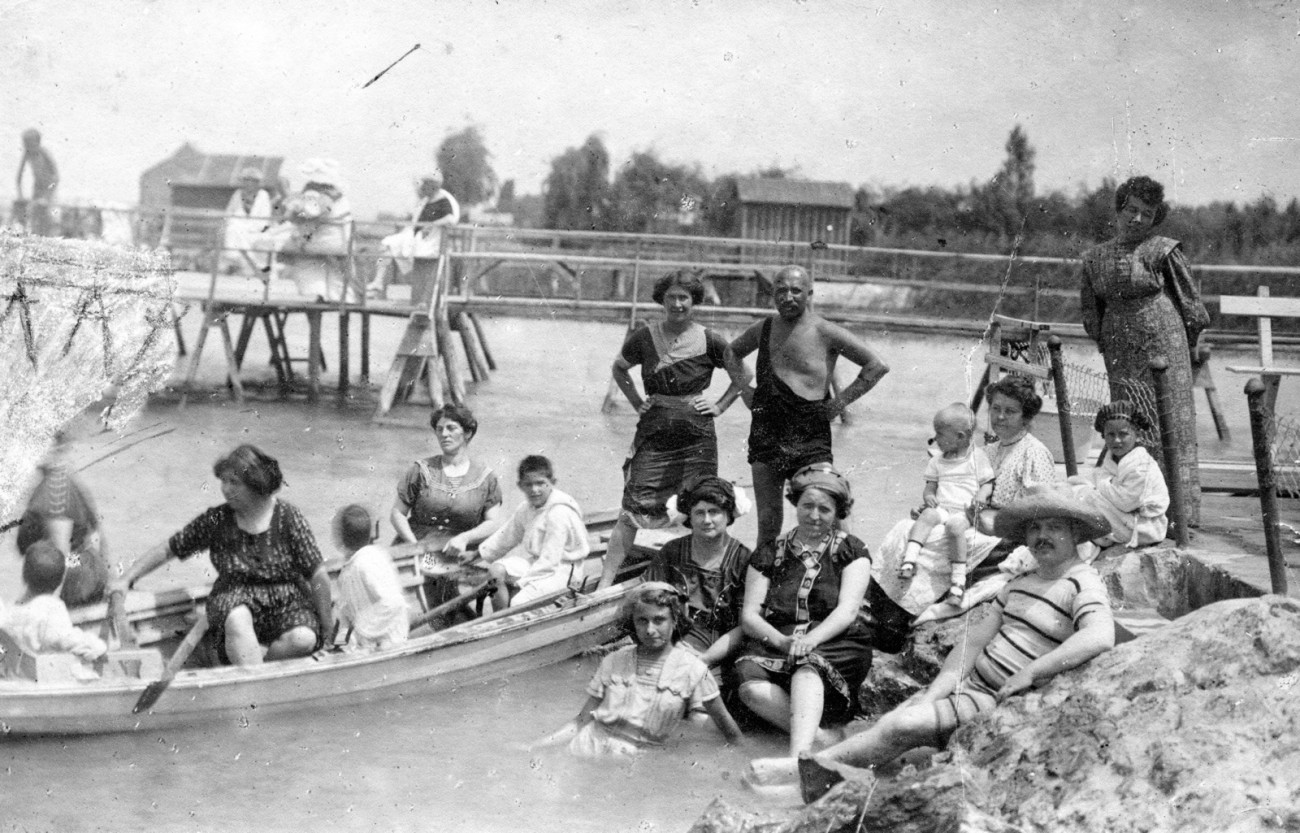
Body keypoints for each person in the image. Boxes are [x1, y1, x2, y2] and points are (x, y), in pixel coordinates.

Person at [786, 484, 1116, 803]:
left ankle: (798, 771)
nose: (1042, 536)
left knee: (902, 725)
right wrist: (933, 693)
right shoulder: (1022, 582)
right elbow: (972, 643)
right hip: (972, 688)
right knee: (896, 723)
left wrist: (1030, 673)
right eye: (1035, 528)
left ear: (1075, 534)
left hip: (1002, 701)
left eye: (1054, 527)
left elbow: (1100, 634)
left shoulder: (1081, 581)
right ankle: (814, 777)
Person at [107, 445, 332, 667]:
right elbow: (169, 548)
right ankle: (252, 680)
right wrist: (127, 578)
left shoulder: (289, 517)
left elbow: (318, 576)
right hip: (234, 597)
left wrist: (328, 629)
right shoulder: (218, 519)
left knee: (304, 639)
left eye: (234, 482)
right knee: (237, 618)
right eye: (223, 481)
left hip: (285, 603)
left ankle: (259, 666)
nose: (225, 489)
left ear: (256, 485)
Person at [599, 269, 752, 589]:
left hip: (697, 434)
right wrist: (636, 401)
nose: (678, 304)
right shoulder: (644, 336)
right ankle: (604, 584)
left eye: (684, 297)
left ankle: (704, 579)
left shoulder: (710, 338)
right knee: (631, 508)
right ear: (662, 300)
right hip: (655, 429)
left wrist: (720, 406)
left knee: (703, 504)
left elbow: (743, 376)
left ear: (694, 300)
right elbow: (619, 368)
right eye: (672, 297)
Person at [873, 374, 1058, 621]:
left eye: (1010, 411)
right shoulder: (985, 451)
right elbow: (955, 487)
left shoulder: (1034, 452)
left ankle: (899, 616)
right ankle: (881, 603)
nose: (1000, 417)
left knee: (938, 543)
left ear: (1026, 416)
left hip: (1006, 535)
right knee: (905, 528)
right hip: (968, 521)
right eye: (995, 409)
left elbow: (1041, 508)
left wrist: (994, 519)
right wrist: (934, 502)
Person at [1081, 174, 1210, 527]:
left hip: (1163, 344)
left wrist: (1189, 348)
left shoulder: (1164, 250)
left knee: (1169, 422)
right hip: (1120, 348)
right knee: (1128, 421)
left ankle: (1178, 515)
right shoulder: (1094, 257)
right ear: (1119, 209)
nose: (1137, 219)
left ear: (1156, 219)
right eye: (1132, 210)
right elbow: (1090, 311)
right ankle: (1130, 507)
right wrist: (1107, 340)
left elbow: (1192, 307)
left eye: (1147, 214)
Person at [730, 265, 890, 547]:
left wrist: (839, 403)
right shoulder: (763, 328)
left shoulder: (825, 331)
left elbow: (876, 366)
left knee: (829, 505)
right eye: (781, 291)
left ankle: (848, 566)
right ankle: (766, 578)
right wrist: (745, 390)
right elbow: (730, 353)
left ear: (809, 294)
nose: (788, 297)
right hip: (767, 429)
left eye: (795, 291)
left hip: (810, 432)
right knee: (768, 520)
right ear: (772, 294)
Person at [734, 465, 876, 757]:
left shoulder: (851, 550)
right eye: (807, 505)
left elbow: (847, 612)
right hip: (779, 640)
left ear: (838, 512)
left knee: (807, 666)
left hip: (836, 640)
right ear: (795, 504)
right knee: (750, 687)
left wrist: (810, 641)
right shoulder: (770, 552)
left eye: (824, 509)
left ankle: (797, 757)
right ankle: (822, 739)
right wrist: (780, 641)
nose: (814, 515)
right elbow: (749, 616)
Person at [523, 582, 743, 756]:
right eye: (642, 621)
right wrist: (533, 746)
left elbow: (731, 734)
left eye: (659, 620)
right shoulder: (614, 660)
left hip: (635, 764)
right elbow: (581, 722)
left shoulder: (694, 670)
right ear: (633, 623)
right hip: (584, 749)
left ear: (675, 621)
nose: (649, 629)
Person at [391, 404, 502, 619]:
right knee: (432, 591)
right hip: (417, 550)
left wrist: (464, 537)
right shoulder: (420, 470)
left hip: (456, 552)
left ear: (468, 433)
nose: (444, 434)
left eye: (451, 428)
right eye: (439, 429)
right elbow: (397, 514)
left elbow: (493, 523)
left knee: (491, 582)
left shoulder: (486, 477)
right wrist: (415, 545)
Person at [643, 476, 753, 669]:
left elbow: (746, 623)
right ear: (689, 517)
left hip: (726, 644)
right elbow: (647, 598)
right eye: (699, 513)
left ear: (728, 515)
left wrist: (706, 658)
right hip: (674, 638)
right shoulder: (672, 551)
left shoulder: (743, 558)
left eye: (714, 512)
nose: (707, 520)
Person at [898, 403, 995, 604]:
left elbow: (987, 484)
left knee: (955, 527)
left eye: (940, 434)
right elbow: (930, 486)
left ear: (960, 437)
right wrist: (929, 497)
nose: (936, 439)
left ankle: (958, 580)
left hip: (964, 510)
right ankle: (909, 560)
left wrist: (981, 497)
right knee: (927, 515)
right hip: (943, 508)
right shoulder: (937, 461)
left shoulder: (977, 458)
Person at [473, 455, 589, 611]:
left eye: (541, 483)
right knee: (496, 571)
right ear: (520, 485)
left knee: (518, 602)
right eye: (528, 485)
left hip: (564, 571)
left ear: (552, 483)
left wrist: (522, 583)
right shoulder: (526, 508)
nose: (534, 490)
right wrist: (476, 555)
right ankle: (500, 619)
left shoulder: (559, 513)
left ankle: (511, 623)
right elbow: (506, 536)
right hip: (538, 563)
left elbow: (550, 561)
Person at [16, 428, 109, 607]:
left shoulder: (54, 491)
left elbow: (61, 555)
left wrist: (47, 607)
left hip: (73, 582)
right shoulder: (59, 479)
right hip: (83, 576)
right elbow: (96, 537)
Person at [1068, 401, 1169, 548]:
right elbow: (1098, 477)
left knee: (1086, 497)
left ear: (1137, 435)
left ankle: (1093, 540)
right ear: (1103, 436)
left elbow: (1126, 502)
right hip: (1123, 517)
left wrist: (1099, 485)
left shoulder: (1141, 466)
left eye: (1123, 434)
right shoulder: (1112, 458)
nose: (1116, 440)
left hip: (1142, 526)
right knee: (1076, 490)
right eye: (1110, 434)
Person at [0, 540, 107, 663]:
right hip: (43, 677)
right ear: (59, 582)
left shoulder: (8, 610)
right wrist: (99, 646)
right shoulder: (50, 608)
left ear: (24, 575)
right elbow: (68, 640)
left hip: (14, 675)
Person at [367, 172, 460, 298]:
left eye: (424, 185)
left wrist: (432, 224)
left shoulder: (442, 201)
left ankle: (422, 294)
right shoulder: (426, 201)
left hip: (431, 240)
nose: (422, 187)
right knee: (387, 244)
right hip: (416, 237)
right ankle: (378, 282)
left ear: (431, 186)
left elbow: (450, 219)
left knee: (417, 258)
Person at [332, 504, 409, 651]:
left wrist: (362, 628)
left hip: (390, 640)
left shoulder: (367, 563)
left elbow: (394, 603)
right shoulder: (347, 571)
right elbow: (346, 615)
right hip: (369, 640)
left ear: (340, 540)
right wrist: (340, 642)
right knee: (345, 643)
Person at [222, 166, 274, 277]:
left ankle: (249, 267)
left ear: (258, 183)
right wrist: (228, 222)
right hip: (239, 228)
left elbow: (265, 218)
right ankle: (236, 262)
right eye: (246, 180)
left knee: (239, 232)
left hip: (257, 230)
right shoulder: (238, 194)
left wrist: (249, 227)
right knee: (233, 229)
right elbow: (229, 212)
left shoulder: (263, 195)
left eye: (252, 181)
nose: (249, 183)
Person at [15, 128, 58, 236]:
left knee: (45, 211)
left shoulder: (44, 153)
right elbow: (19, 176)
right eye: (26, 144)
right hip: (37, 186)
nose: (27, 147)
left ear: (37, 142)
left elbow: (56, 176)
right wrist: (20, 195)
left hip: (49, 185)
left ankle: (49, 235)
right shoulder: (27, 153)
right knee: (34, 212)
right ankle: (36, 235)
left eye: (30, 144)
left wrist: (47, 196)